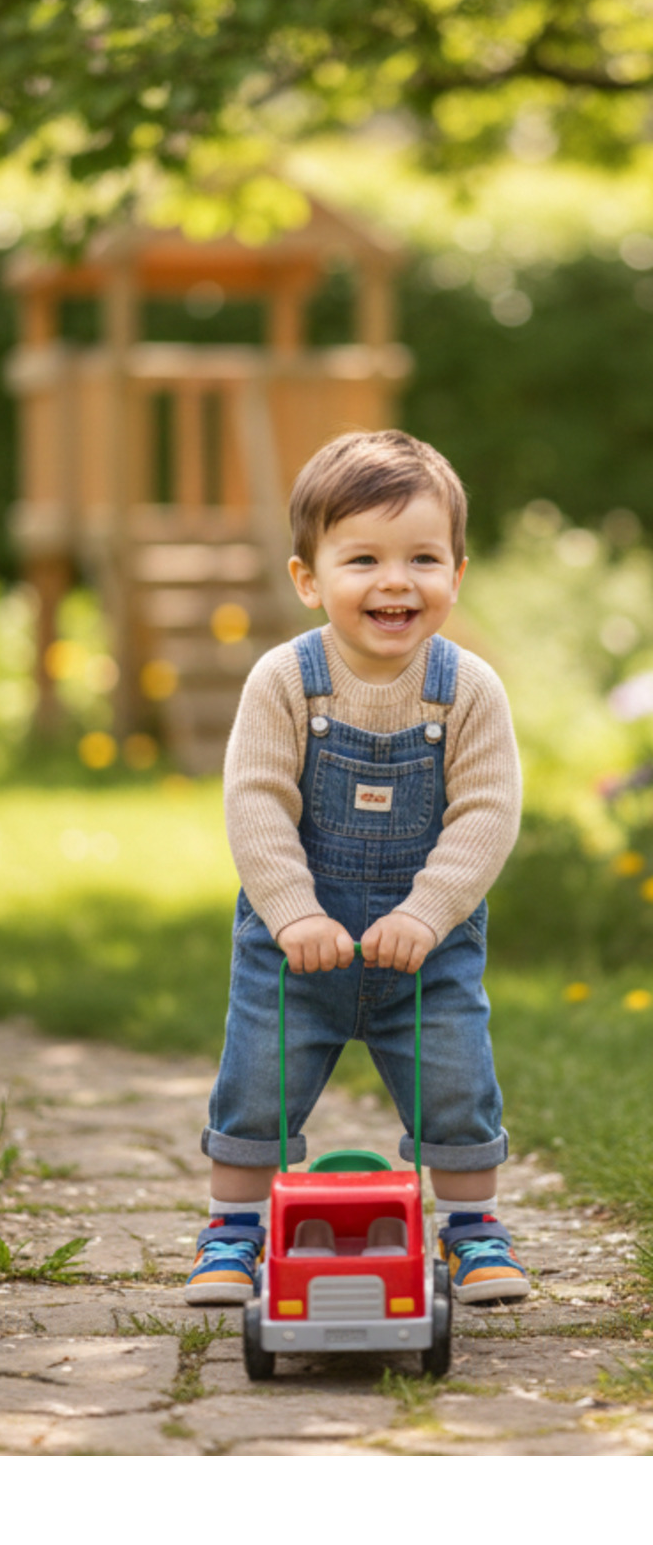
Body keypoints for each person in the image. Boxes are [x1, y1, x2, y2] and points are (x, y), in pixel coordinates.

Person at [186, 429, 529, 1307]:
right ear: (309, 578)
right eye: (363, 558)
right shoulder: (286, 681)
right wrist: (293, 911)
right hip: (295, 943)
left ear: (457, 571)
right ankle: (232, 1232)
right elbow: (256, 800)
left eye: (423, 557)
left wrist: (430, 908)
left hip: (427, 946)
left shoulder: (468, 690)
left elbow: (487, 811)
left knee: (456, 1080)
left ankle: (473, 1229)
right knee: (256, 1082)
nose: (395, 581)